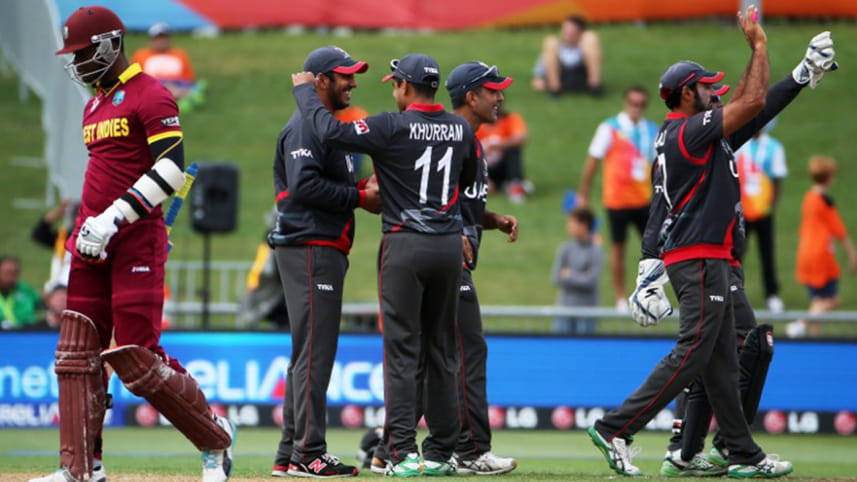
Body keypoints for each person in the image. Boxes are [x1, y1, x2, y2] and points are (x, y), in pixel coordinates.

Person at [588, 7, 804, 478]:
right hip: (699, 258)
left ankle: (743, 454)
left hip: (706, 257)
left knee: (722, 363)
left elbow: (753, 104)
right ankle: (614, 428)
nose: (715, 94)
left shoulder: (692, 135)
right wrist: (760, 46)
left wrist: (800, 76)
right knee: (693, 351)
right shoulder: (689, 132)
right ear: (686, 94)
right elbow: (750, 102)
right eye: (707, 88)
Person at [35, 7, 234, 482]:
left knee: (137, 356)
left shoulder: (152, 93)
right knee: (77, 355)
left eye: (83, 53)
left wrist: (112, 219)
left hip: (134, 237)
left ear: (109, 45)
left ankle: (215, 437)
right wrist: (89, 228)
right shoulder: (93, 105)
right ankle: (81, 467)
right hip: (90, 241)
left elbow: (171, 169)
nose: (77, 63)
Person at [291, 53, 478, 477]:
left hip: (405, 244)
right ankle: (441, 450)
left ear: (405, 87)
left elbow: (329, 131)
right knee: (443, 349)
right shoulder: (461, 128)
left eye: (395, 83)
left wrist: (305, 91)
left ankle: (400, 452)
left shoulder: (390, 126)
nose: (394, 90)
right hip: (448, 246)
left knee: (402, 351)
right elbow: (465, 179)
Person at [267, 46, 379, 479]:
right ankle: (309, 453)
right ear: (320, 81)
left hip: (316, 247)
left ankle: (289, 454)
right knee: (315, 353)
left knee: (306, 353)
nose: (353, 82)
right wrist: (359, 197)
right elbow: (304, 187)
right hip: (310, 247)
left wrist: (360, 189)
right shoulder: (304, 127)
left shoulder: (324, 126)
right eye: (345, 75)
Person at [578, 85, 659, 311]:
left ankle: (650, 293)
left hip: (644, 200)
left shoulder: (652, 130)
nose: (637, 108)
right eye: (633, 103)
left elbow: (658, 166)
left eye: (641, 104)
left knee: (653, 251)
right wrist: (583, 194)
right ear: (626, 102)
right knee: (618, 248)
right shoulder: (609, 128)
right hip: (617, 200)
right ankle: (621, 297)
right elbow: (593, 161)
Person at [787, 156, 856, 338]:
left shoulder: (808, 197)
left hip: (805, 253)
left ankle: (814, 337)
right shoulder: (826, 201)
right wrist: (852, 254)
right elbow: (839, 231)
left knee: (817, 301)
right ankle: (801, 324)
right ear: (829, 178)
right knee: (832, 299)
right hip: (821, 255)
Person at [735, 124, 787, 312]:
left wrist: (772, 206)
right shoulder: (740, 145)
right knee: (737, 253)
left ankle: (772, 294)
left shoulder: (774, 147)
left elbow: (778, 178)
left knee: (767, 253)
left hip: (764, 209)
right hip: (742, 209)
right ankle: (733, 290)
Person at [130, 22, 205, 111]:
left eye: (164, 37)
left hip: (177, 85)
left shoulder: (180, 54)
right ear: (151, 40)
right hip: (152, 86)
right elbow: (134, 79)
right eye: (158, 38)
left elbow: (188, 78)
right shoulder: (141, 55)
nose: (162, 41)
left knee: (198, 86)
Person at [551, 207, 602, 335]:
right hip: (564, 311)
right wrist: (582, 276)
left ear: (583, 225)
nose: (568, 226)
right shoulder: (565, 249)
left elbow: (591, 281)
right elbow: (556, 278)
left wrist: (569, 275)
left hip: (587, 313)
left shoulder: (595, 251)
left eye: (572, 223)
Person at [532, 16, 602, 96]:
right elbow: (541, 68)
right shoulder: (556, 46)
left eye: (571, 28)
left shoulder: (586, 44)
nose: (568, 31)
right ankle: (555, 88)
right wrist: (539, 79)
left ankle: (594, 85)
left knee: (591, 37)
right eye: (566, 28)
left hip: (582, 74)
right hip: (562, 75)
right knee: (550, 42)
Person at [475, 107, 529, 203]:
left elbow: (521, 138)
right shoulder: (477, 124)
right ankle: (502, 185)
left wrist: (496, 146)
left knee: (513, 150)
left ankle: (515, 184)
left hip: (503, 164)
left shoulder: (510, 119)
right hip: (483, 167)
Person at [0, 255, 42, 329]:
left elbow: (43, 304)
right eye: (7, 273)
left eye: (14, 274)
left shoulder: (26, 290)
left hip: (26, 332)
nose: (10, 278)